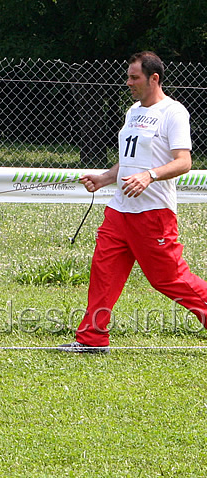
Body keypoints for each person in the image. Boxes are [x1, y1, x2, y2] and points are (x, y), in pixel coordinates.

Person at [59, 51, 207, 353]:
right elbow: (129, 162)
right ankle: (92, 339)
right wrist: (104, 178)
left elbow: (183, 162)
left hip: (153, 215)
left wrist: (150, 176)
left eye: (134, 77)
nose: (128, 82)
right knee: (104, 274)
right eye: (128, 76)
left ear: (154, 78)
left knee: (170, 279)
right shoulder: (132, 111)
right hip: (119, 210)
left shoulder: (173, 113)